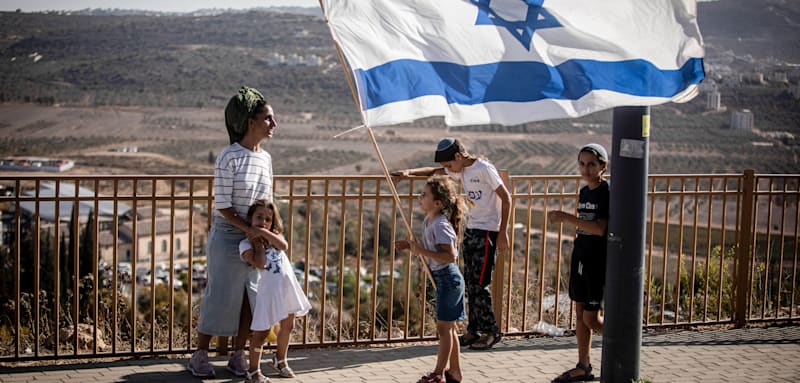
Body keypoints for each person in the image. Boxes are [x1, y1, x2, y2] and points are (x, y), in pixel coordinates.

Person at [188, 86, 277, 378]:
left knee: (249, 299)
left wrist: (265, 231)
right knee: (220, 296)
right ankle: (200, 355)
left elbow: (266, 201)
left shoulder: (265, 159)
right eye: (268, 118)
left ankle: (238, 355)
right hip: (229, 235)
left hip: (254, 234)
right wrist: (249, 229)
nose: (273, 124)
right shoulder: (229, 157)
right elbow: (224, 207)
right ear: (251, 122)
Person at [392, 138, 510, 351]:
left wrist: (502, 232)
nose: (448, 170)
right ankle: (474, 330)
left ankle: (492, 331)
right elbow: (434, 171)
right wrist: (409, 172)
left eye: (449, 165)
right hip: (473, 229)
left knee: (481, 284)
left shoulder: (484, 169)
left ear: (458, 156)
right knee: (471, 283)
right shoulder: (461, 170)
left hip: (488, 232)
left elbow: (506, 198)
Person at [547, 143, 610, 383]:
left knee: (591, 319)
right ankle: (584, 365)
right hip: (581, 256)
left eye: (591, 164)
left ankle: (624, 340)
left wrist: (565, 217)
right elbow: (586, 225)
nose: (586, 169)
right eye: (582, 164)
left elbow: (599, 228)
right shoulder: (585, 192)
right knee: (580, 312)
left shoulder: (605, 192)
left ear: (603, 166)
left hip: (597, 259)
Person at [395, 176, 466, 383]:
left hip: (448, 279)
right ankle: (454, 372)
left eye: (424, 195)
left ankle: (438, 374)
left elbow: (450, 256)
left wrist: (420, 250)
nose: (419, 197)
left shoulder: (441, 225)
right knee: (449, 328)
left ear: (438, 203)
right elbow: (432, 249)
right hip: (443, 278)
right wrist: (411, 246)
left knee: (443, 329)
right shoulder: (429, 220)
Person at [239, 199, 311, 383]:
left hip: (286, 288)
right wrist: (258, 243)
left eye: (268, 219)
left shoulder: (275, 239)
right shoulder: (245, 245)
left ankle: (280, 360)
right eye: (259, 218)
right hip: (267, 293)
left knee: (289, 325)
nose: (263, 222)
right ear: (250, 219)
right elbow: (260, 263)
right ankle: (253, 370)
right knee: (261, 333)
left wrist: (263, 233)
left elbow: (284, 246)